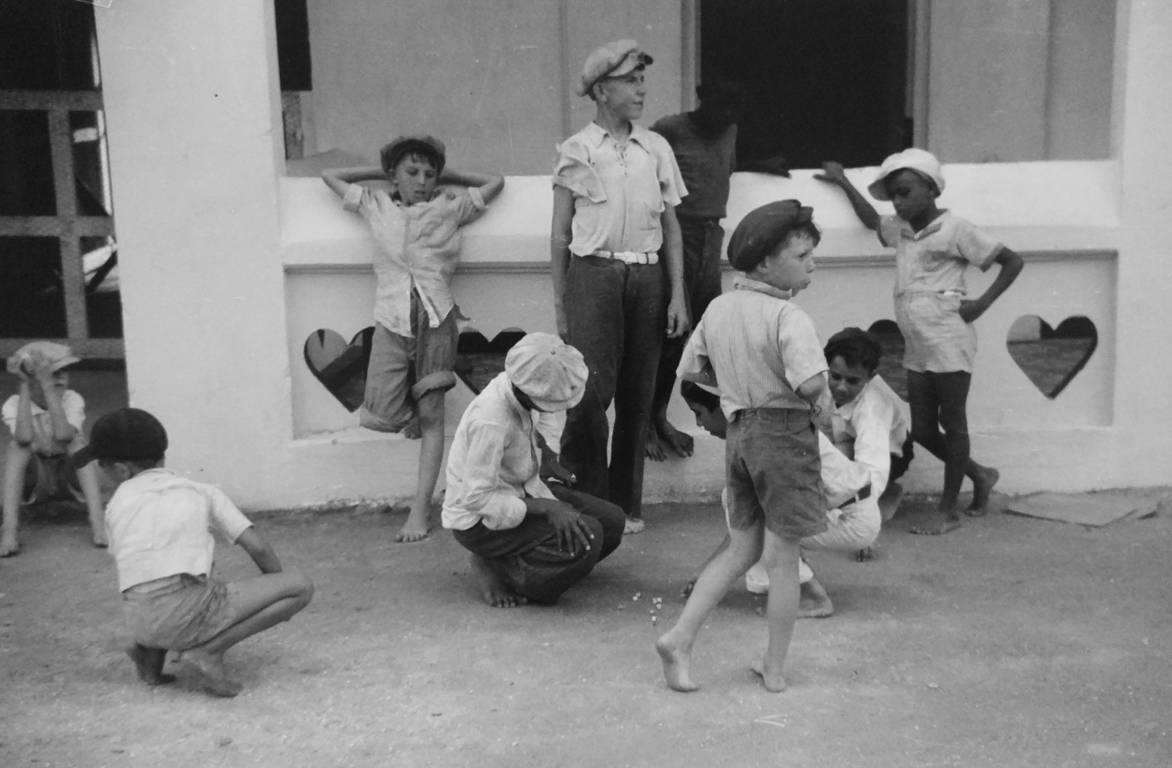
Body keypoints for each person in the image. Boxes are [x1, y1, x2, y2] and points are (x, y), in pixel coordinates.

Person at [655, 200, 826, 693]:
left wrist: (733, 383)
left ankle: (680, 637)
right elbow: (812, 384)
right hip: (785, 437)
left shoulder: (719, 308)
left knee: (741, 547)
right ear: (766, 263)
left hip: (741, 434)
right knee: (783, 561)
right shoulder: (787, 316)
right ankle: (773, 668)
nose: (811, 262)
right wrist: (821, 407)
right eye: (801, 255)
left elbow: (691, 370)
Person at [818, 149, 1023, 534]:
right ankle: (980, 475)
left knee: (954, 423)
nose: (897, 201)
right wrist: (843, 179)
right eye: (894, 194)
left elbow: (1012, 261)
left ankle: (947, 510)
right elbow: (870, 220)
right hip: (918, 345)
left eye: (905, 191)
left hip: (949, 340)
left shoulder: (957, 229)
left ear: (930, 189)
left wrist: (981, 303)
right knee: (925, 430)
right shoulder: (902, 228)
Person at [322, 136, 504, 542]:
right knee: (381, 411)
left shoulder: (450, 208)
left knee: (433, 416)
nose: (422, 181)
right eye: (412, 172)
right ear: (393, 175)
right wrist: (382, 169)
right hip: (391, 318)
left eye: (429, 173)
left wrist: (446, 173)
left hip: (436, 318)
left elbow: (495, 181)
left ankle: (419, 511)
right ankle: (413, 413)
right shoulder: (375, 204)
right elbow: (328, 174)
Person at [550, 39, 690, 535]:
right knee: (588, 395)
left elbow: (672, 226)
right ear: (602, 90)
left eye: (641, 80)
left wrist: (677, 293)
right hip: (595, 276)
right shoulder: (578, 149)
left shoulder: (656, 148)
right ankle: (585, 500)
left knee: (639, 393)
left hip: (648, 277)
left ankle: (627, 505)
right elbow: (561, 235)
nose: (641, 90)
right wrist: (562, 304)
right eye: (631, 81)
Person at [76, 407, 313, 697]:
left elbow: (137, 566)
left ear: (123, 470)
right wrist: (273, 584)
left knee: (160, 579)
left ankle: (150, 661)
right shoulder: (199, 491)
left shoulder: (115, 506)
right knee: (299, 586)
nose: (99, 470)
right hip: (185, 613)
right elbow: (257, 546)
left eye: (101, 464)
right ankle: (208, 651)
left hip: (139, 620)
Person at [681, 326, 914, 619]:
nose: (699, 425)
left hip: (862, 499)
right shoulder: (767, 421)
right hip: (842, 487)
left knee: (763, 516)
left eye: (699, 414)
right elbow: (741, 524)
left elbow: (748, 526)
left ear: (724, 408)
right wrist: (707, 572)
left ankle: (811, 595)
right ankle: (795, 577)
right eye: (835, 376)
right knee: (747, 503)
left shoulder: (765, 435)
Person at [442, 333, 625, 607]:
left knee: (612, 522)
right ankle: (496, 566)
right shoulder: (491, 420)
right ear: (528, 392)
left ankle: (524, 559)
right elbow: (475, 498)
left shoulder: (523, 385)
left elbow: (542, 423)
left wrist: (548, 459)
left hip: (521, 490)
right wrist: (546, 508)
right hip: (479, 519)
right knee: (588, 536)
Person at [645, 79, 747, 461]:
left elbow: (721, 167)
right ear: (703, 99)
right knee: (672, 333)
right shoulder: (669, 129)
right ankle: (648, 422)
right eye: (721, 106)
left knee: (706, 335)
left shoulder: (730, 131)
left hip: (710, 239)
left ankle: (681, 415)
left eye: (734, 110)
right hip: (678, 237)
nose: (727, 116)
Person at [2, 341, 106, 557]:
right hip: (36, 480)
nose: (59, 378)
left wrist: (47, 387)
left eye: (63, 372)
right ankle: (10, 528)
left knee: (77, 443)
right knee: (16, 448)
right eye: (52, 373)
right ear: (31, 379)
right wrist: (25, 386)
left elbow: (63, 435)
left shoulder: (72, 398)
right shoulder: (14, 403)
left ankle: (98, 522)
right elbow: (24, 437)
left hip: (69, 478)